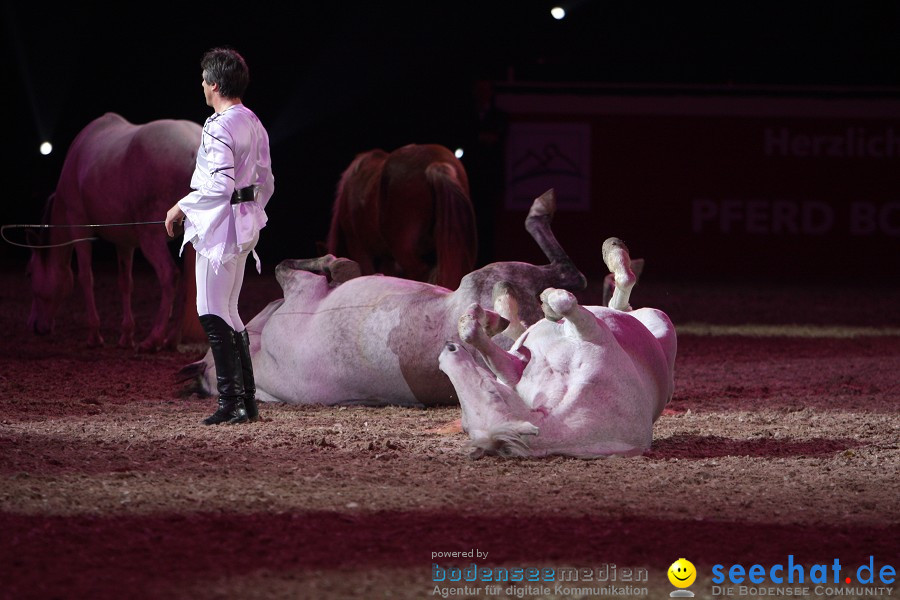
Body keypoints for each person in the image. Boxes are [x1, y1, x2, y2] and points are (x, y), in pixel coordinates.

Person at [165, 47, 274, 425]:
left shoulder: (220, 125)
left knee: (211, 310)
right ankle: (246, 402)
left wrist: (182, 206)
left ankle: (233, 403)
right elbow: (267, 182)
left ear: (214, 83)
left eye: (203, 79)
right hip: (243, 227)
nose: (201, 85)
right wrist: (252, 213)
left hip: (219, 231)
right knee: (230, 311)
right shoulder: (254, 122)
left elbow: (220, 184)